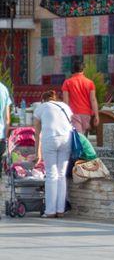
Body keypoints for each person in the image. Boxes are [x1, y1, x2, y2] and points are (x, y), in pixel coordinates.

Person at [33, 90, 73, 218]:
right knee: (61, 174)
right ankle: (60, 210)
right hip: (66, 139)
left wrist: (37, 152)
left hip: (50, 139)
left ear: (43, 100)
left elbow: (37, 132)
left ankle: (50, 211)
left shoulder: (41, 108)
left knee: (51, 174)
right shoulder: (65, 106)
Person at [61, 57, 99, 135]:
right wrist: (96, 115)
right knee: (83, 137)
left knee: (78, 137)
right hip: (86, 114)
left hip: (73, 113)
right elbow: (93, 100)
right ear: (83, 70)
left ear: (73, 70)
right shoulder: (90, 83)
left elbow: (65, 101)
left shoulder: (67, 82)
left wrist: (64, 115)